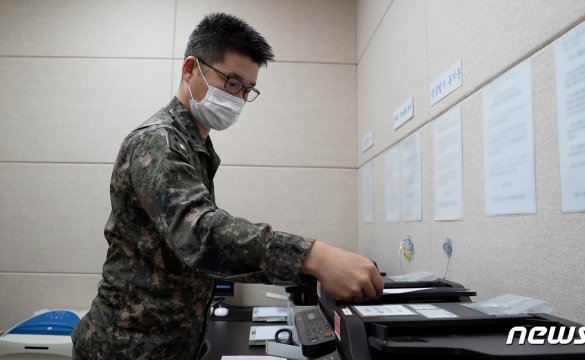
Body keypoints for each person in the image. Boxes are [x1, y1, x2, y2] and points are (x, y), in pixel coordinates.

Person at [71, 12, 383, 360]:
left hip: (171, 344)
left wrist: (302, 269)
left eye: (247, 90)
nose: (238, 98)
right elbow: (201, 233)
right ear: (191, 68)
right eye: (232, 83)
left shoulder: (194, 148)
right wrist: (315, 256)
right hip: (124, 347)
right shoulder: (157, 142)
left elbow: (205, 253)